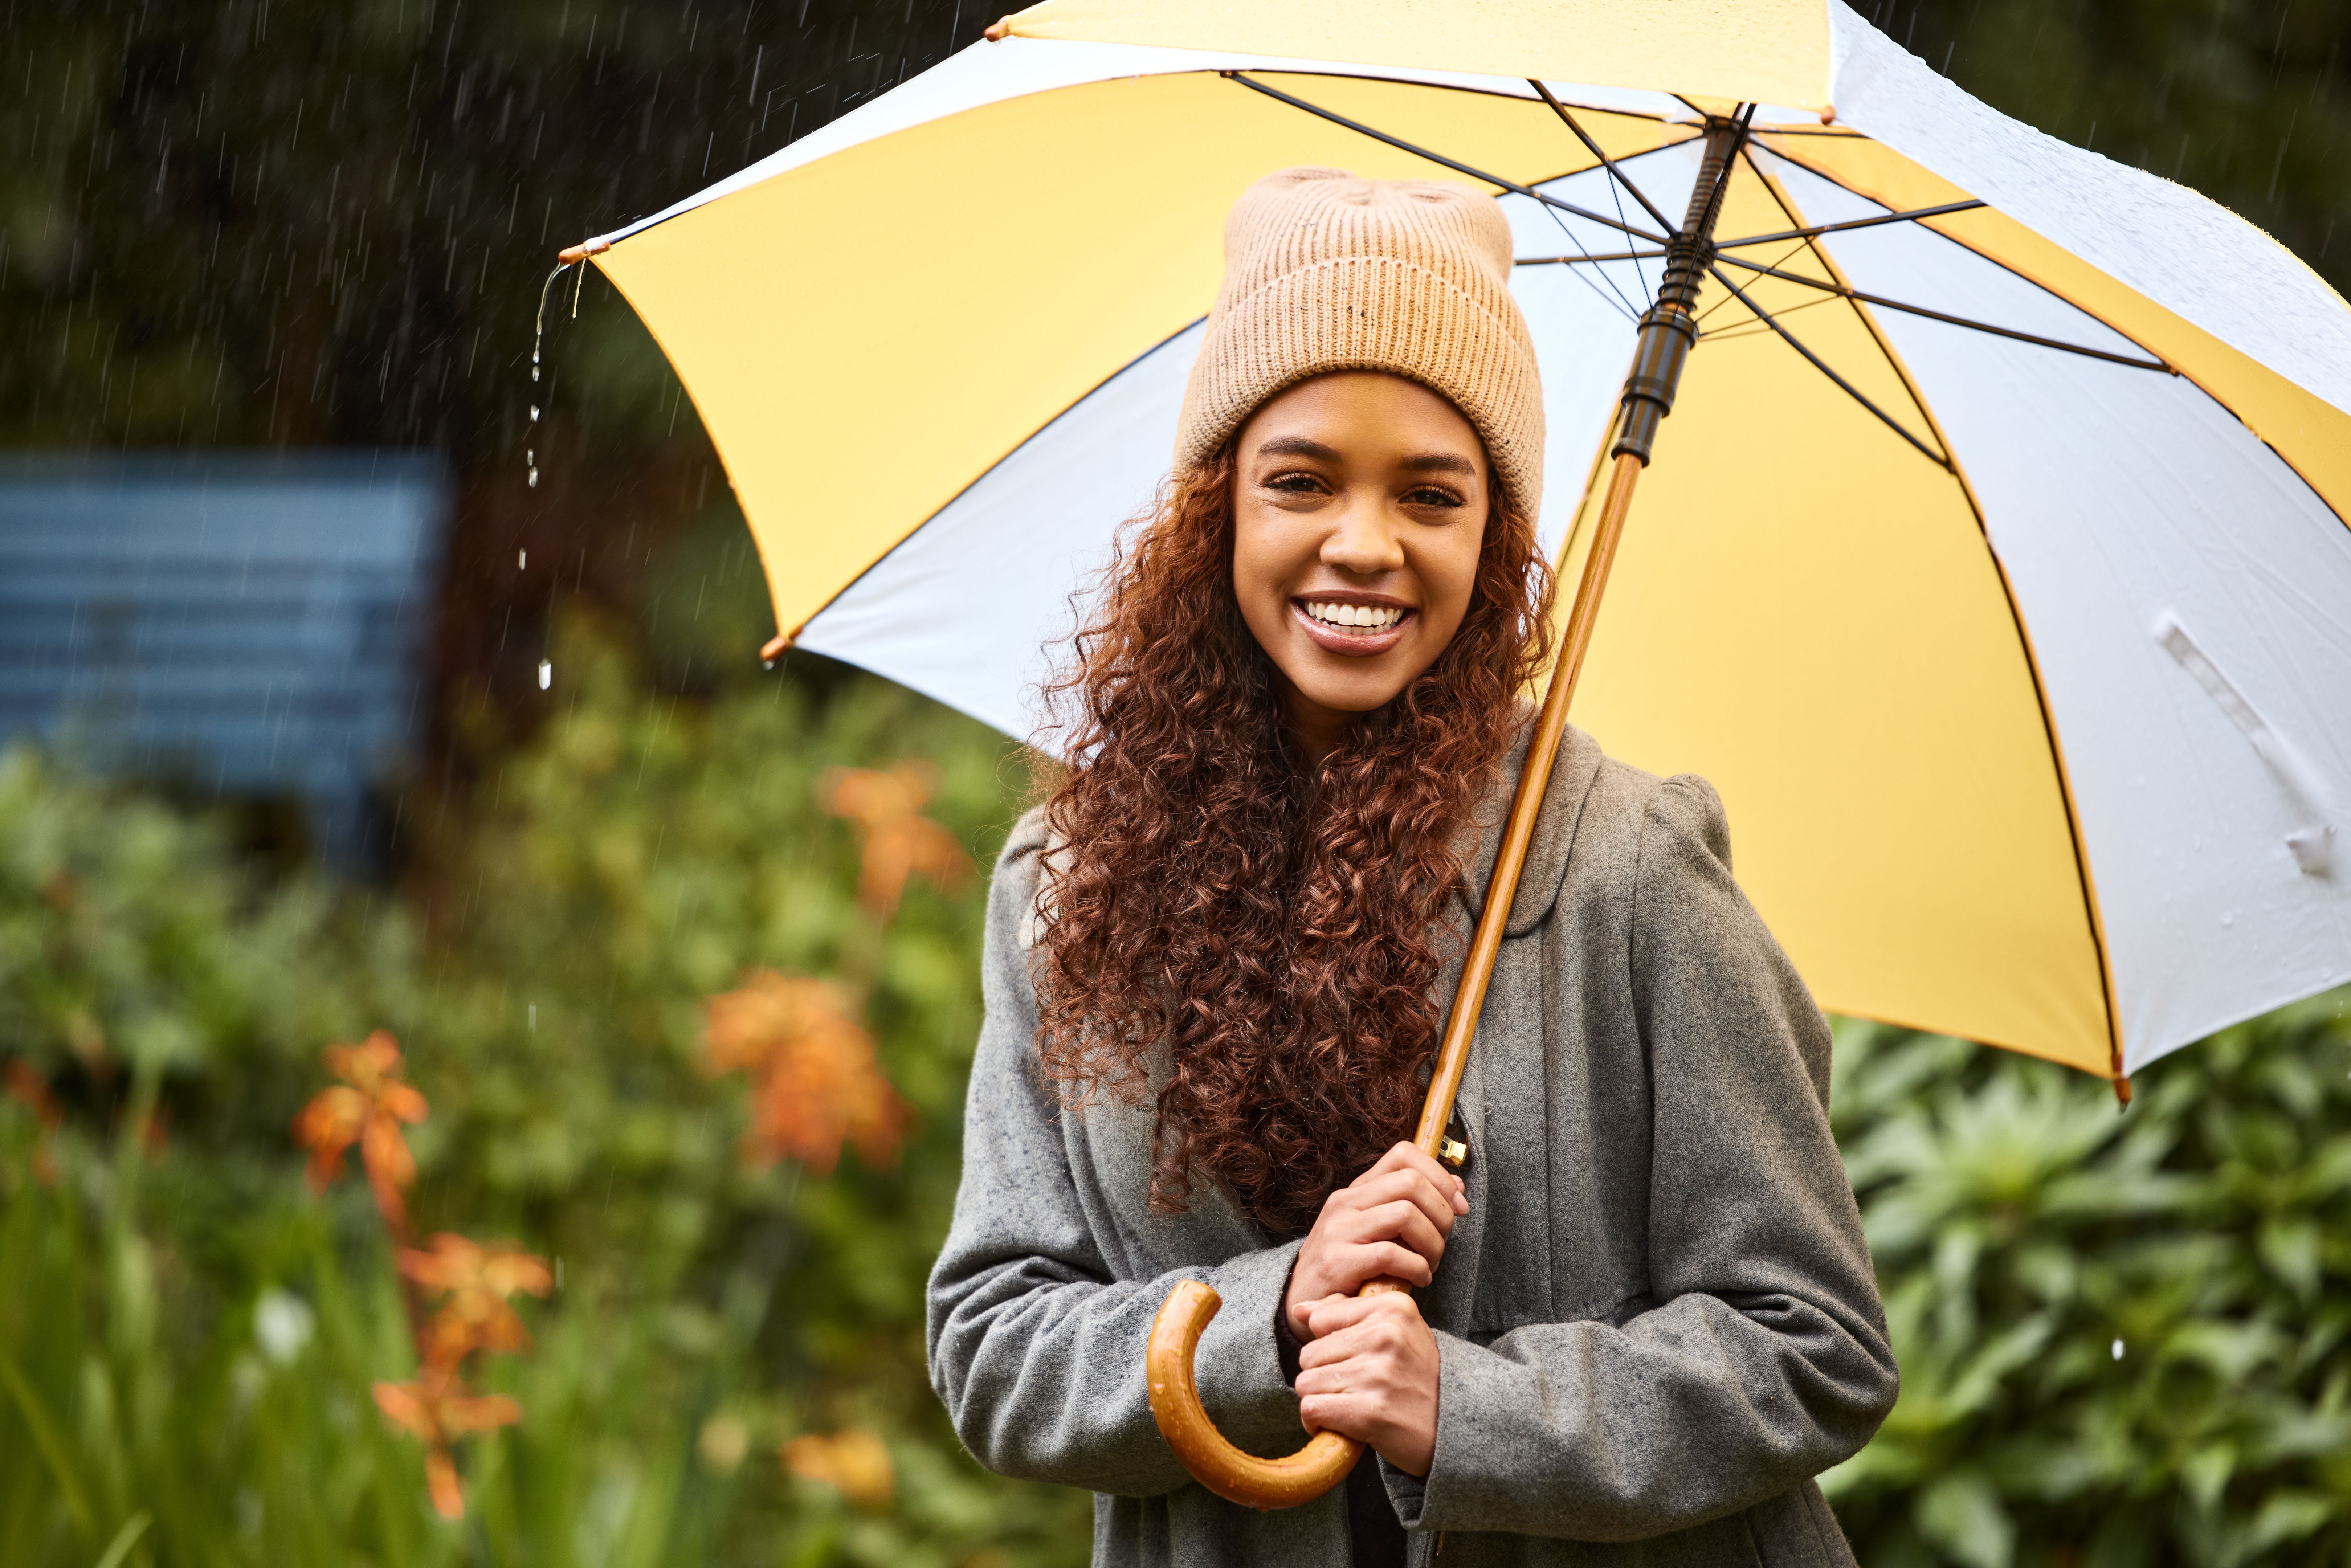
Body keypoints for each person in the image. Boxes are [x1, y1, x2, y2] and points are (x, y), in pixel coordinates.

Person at [926, 166, 1898, 1567]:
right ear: (1220, 514)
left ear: (1493, 539)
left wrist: (1476, 1410)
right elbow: (992, 1343)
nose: (1365, 544)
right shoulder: (1070, 885)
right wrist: (1268, 1316)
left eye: (1432, 495)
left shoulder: (1626, 871)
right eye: (1302, 481)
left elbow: (1813, 1344)